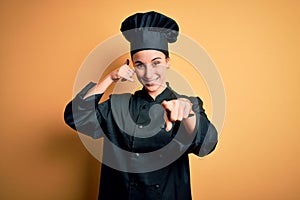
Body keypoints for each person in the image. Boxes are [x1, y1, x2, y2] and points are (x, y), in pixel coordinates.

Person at [64, 11, 218, 200]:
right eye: (140, 65)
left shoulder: (188, 104)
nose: (148, 73)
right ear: (132, 67)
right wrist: (110, 78)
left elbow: (207, 144)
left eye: (156, 63)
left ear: (168, 62)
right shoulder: (117, 105)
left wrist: (188, 112)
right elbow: (76, 118)